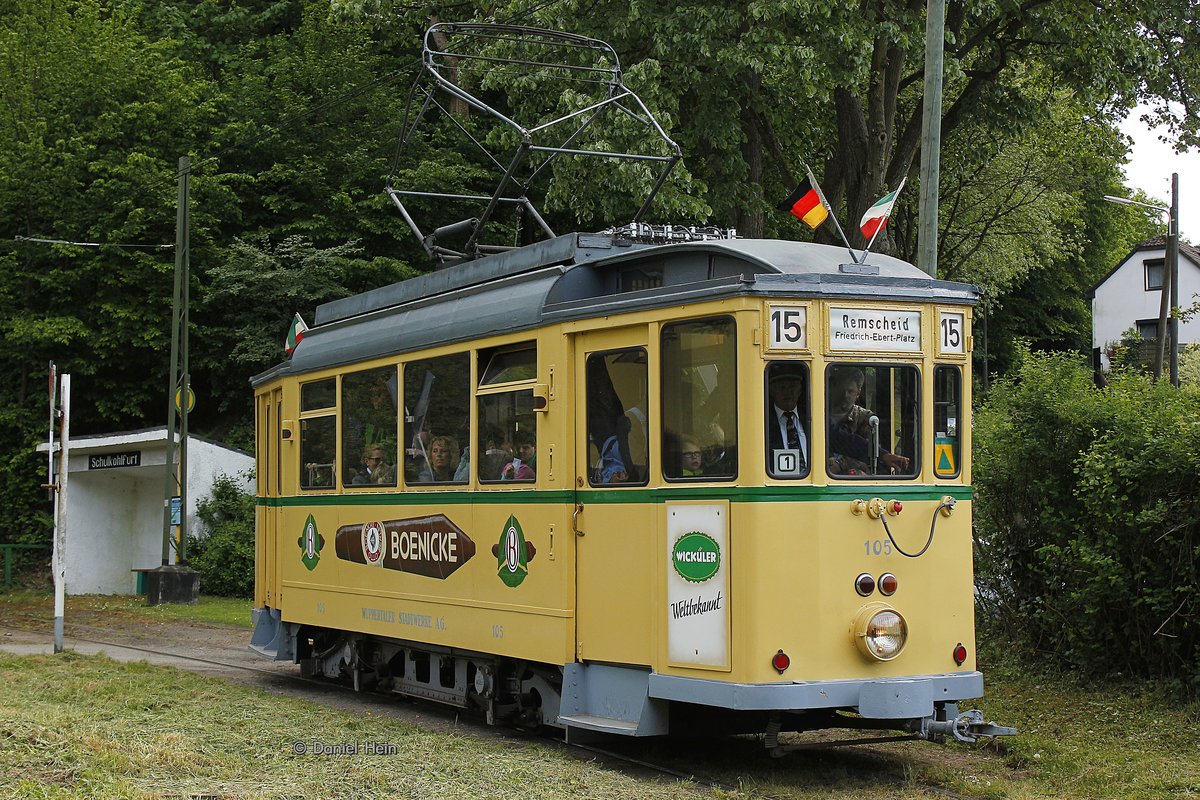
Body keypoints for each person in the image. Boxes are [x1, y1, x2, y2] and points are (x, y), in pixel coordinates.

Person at [827, 366, 911, 474]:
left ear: (858, 393)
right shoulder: (820, 415)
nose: (845, 395)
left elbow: (870, 454)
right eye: (842, 390)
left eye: (850, 391)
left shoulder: (867, 418)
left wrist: (840, 464)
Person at [766, 364, 809, 473]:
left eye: (792, 387)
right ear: (772, 391)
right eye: (782, 387)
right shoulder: (762, 421)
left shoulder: (814, 416)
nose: (787, 392)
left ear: (799, 391)